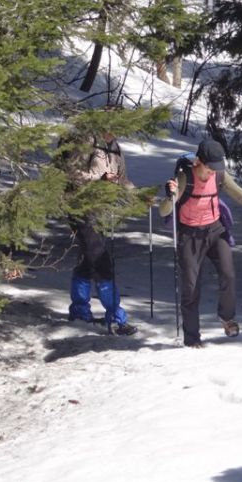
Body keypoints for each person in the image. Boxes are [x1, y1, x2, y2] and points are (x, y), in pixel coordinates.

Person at [158, 139, 242, 348]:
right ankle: (192, 338)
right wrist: (170, 196)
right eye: (210, 167)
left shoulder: (220, 175)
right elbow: (163, 211)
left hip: (215, 230)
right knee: (191, 288)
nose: (213, 172)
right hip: (190, 235)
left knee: (228, 274)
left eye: (217, 167)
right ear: (199, 162)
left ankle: (227, 318)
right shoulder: (185, 177)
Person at [67, 131, 138, 336]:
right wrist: (100, 179)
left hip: (102, 212)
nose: (113, 129)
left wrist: (138, 196)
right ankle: (116, 317)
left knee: (87, 261)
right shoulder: (87, 142)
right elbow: (73, 174)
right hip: (80, 208)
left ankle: (79, 312)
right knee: (100, 261)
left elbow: (122, 179)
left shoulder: (115, 148)